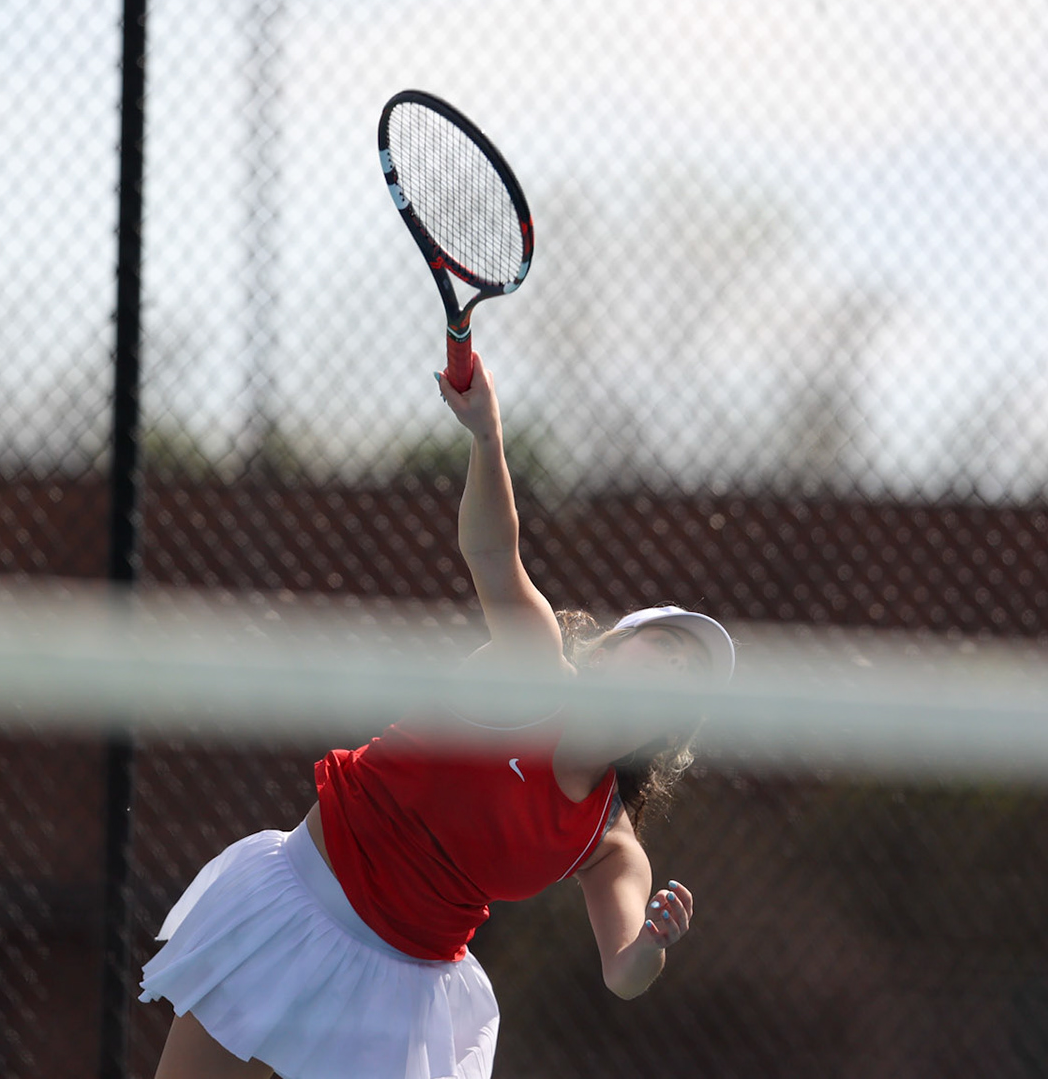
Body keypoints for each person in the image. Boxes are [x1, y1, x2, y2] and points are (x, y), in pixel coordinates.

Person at [139, 355, 735, 1079]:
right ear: (609, 649)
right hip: (297, 911)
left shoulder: (610, 843)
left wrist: (653, 946)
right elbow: (491, 551)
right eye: (666, 649)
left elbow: (624, 971)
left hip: (401, 998)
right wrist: (486, 435)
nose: (673, 673)